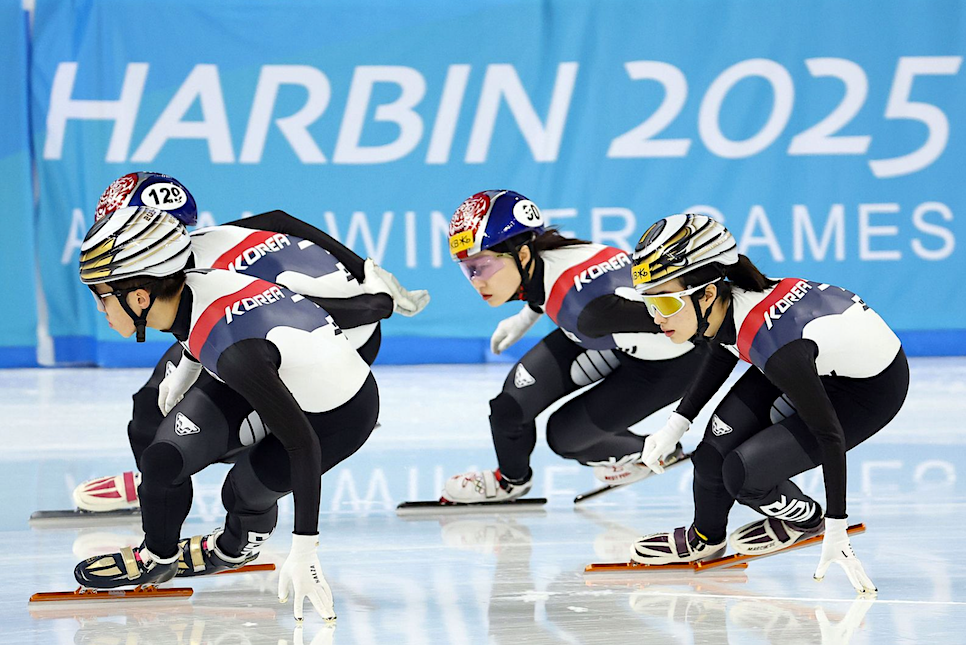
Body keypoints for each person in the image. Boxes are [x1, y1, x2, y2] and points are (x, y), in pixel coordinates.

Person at [74, 206, 380, 621]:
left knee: (241, 492)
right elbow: (192, 328)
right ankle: (157, 557)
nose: (99, 309)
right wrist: (184, 373)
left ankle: (234, 548)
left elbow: (302, 444)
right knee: (162, 461)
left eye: (101, 297)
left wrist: (305, 548)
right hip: (273, 370)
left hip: (337, 416)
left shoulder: (236, 352)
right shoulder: (191, 287)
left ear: (140, 298)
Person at [73, 172, 428, 514]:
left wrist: (376, 302)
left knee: (201, 418)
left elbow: (309, 312)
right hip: (289, 325)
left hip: (332, 339)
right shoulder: (199, 245)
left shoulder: (211, 272)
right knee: (150, 404)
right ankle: (155, 482)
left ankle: (274, 446)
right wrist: (364, 268)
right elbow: (278, 219)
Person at [627, 214, 909, 594]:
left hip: (866, 391)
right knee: (711, 455)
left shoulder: (777, 347)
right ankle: (705, 538)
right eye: (649, 304)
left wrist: (836, 526)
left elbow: (829, 436)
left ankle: (807, 519)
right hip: (814, 363)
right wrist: (675, 425)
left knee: (744, 476)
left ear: (707, 294)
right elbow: (723, 348)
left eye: (665, 302)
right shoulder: (732, 304)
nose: (657, 318)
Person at [440, 190, 705, 504]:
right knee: (509, 409)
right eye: (467, 269)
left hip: (668, 366)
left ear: (522, 255)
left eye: (482, 267)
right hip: (607, 335)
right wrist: (524, 318)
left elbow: (695, 318)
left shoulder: (586, 311)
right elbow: (547, 290)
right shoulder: (551, 256)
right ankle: (510, 481)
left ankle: (651, 450)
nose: (476, 281)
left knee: (565, 437)